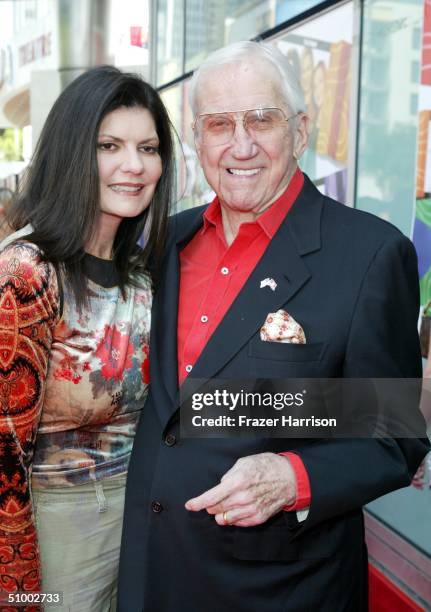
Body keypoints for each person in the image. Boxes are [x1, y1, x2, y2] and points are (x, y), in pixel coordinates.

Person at [118, 41, 430, 611]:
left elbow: (395, 433)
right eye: (219, 124)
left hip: (280, 591)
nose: (241, 145)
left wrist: (294, 476)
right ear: (195, 137)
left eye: (262, 119)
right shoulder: (163, 241)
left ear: (301, 129)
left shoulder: (369, 253)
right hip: (152, 573)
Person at [0, 66, 173, 610]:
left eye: (148, 147)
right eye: (110, 145)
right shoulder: (25, 273)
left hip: (145, 516)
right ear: (72, 151)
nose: (134, 165)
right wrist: (19, 588)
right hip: (57, 529)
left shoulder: (143, 273)